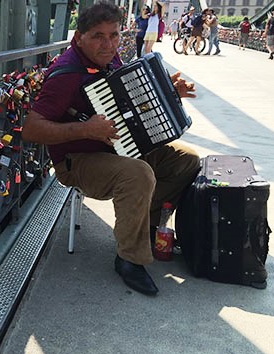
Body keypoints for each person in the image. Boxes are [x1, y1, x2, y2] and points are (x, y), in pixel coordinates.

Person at [22, 2, 200, 296]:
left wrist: (170, 92)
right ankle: (130, 259)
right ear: (79, 37)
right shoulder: (67, 74)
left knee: (187, 160)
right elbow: (32, 129)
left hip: (118, 147)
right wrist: (85, 129)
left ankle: (146, 225)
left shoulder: (110, 59)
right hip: (77, 160)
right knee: (138, 173)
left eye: (114, 35)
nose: (108, 44)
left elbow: (131, 102)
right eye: (98, 36)